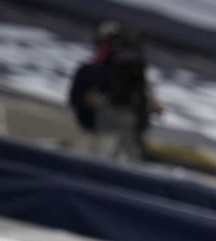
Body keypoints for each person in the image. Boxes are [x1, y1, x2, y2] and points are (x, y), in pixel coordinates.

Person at [68, 20, 161, 162]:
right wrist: (89, 101)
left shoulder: (130, 73)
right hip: (100, 125)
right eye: (109, 44)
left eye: (118, 45)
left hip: (127, 128)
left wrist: (152, 106)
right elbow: (76, 98)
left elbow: (143, 96)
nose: (114, 49)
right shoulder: (88, 71)